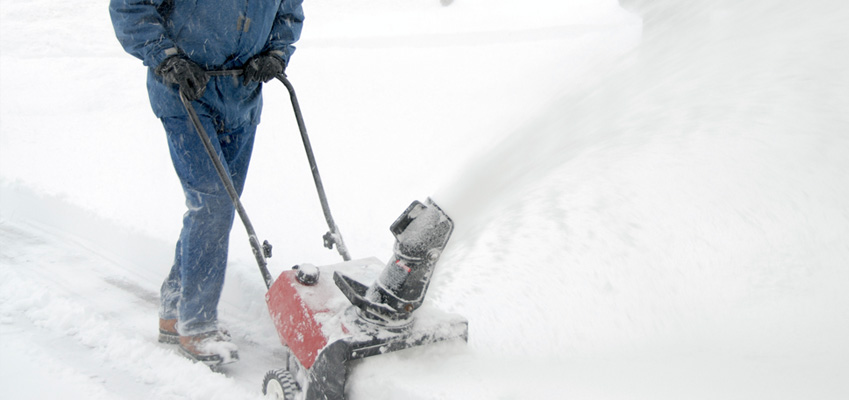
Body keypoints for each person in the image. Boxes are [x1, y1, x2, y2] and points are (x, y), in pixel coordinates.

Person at [109, 0, 304, 365]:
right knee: (212, 202)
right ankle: (196, 323)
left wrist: (276, 52)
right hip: (185, 89)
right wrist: (166, 58)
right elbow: (129, 6)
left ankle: (175, 308)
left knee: (217, 206)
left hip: (243, 92)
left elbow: (289, 11)